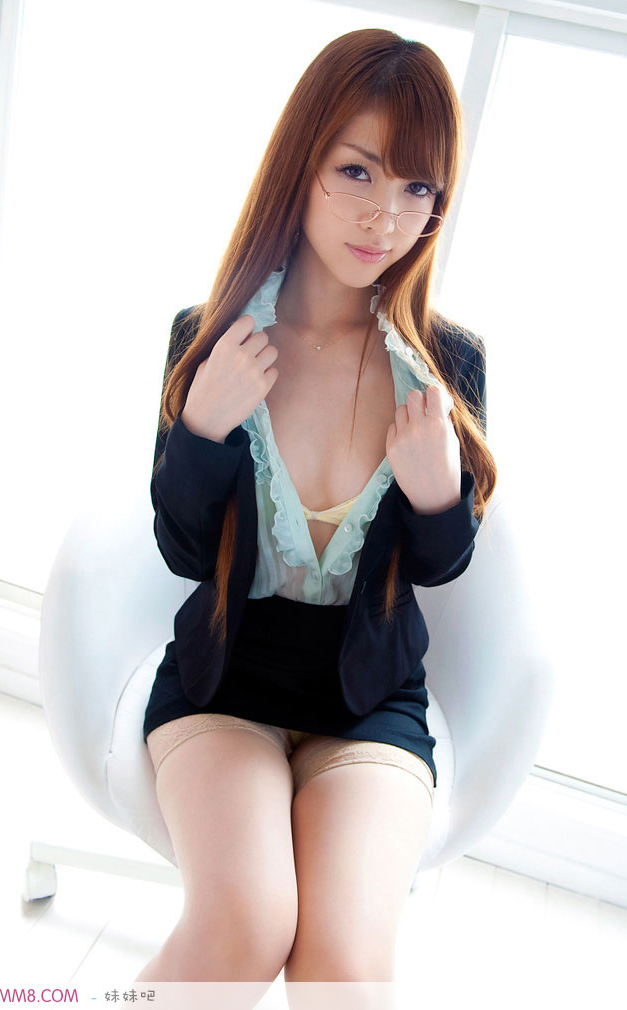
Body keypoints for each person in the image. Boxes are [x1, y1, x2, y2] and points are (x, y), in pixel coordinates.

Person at [133, 26, 497, 1007]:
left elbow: (442, 563)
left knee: (345, 966)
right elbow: (179, 548)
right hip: (223, 684)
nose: (387, 216)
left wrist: (437, 491)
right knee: (245, 924)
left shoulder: (447, 364)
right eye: (357, 170)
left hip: (370, 699)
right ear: (302, 161)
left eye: (418, 187)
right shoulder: (211, 338)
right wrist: (202, 428)